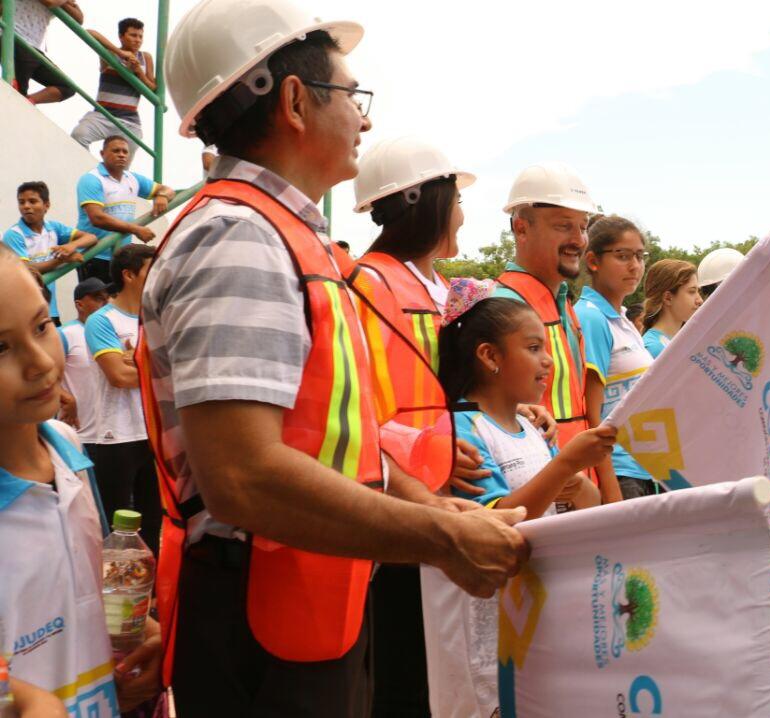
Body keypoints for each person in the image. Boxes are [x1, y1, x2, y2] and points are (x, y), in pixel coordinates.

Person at [142, 2, 528, 713]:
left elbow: (338, 440)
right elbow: (243, 476)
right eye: (353, 96)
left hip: (306, 597)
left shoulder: (286, 238)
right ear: (293, 101)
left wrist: (436, 508)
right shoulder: (239, 237)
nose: (366, 120)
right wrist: (443, 534)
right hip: (260, 617)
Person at [426, 290, 614, 717]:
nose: (547, 361)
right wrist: (566, 463)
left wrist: (574, 479)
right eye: (532, 348)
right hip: (483, 629)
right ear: (490, 356)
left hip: (534, 619)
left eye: (545, 348)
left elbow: (583, 502)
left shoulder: (533, 430)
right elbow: (495, 523)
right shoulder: (461, 431)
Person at [348, 136, 484, 717]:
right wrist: (433, 453)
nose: (461, 213)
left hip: (451, 494)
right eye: (454, 199)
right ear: (422, 202)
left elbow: (442, 392)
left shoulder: (445, 289)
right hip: (403, 504)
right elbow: (362, 412)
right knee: (405, 670)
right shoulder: (368, 285)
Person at [0, 249, 163, 716]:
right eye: (0, 347)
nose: (39, 363)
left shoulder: (71, 453)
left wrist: (139, 631)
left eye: (40, 327)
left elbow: (83, 584)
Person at [498, 162, 621, 500]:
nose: (578, 240)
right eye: (564, 226)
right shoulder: (500, 304)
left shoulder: (564, 302)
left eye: (583, 227)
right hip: (540, 493)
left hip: (579, 489)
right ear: (521, 229)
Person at [83, 244, 161, 551]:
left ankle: (152, 597)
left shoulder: (156, 318)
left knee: (153, 523)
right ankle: (115, 597)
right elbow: (119, 376)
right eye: (150, 269)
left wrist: (137, 360)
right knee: (118, 532)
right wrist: (155, 365)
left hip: (153, 433)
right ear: (128, 275)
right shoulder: (102, 320)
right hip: (116, 437)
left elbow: (178, 367)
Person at [577, 215, 657, 499]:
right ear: (593, 261)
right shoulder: (590, 317)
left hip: (645, 470)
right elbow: (591, 415)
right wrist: (612, 494)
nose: (635, 266)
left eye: (639, 256)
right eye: (622, 256)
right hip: (621, 476)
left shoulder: (623, 320)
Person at [74, 137, 174, 283]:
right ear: (102, 153)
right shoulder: (91, 179)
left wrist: (162, 196)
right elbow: (97, 218)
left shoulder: (131, 178)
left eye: (125, 152)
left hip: (121, 256)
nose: (121, 155)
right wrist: (135, 229)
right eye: (116, 151)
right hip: (94, 256)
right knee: (99, 304)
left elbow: (168, 190)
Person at [5, 181, 96, 324]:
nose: (26, 206)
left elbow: (91, 237)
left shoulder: (53, 228)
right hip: (25, 310)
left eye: (32, 201)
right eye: (21, 202)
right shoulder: (14, 234)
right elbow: (26, 269)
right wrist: (63, 259)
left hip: (50, 308)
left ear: (46, 205)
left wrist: (71, 246)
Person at [73, 18, 157, 158]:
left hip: (129, 120)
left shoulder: (145, 57)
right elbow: (90, 33)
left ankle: (110, 177)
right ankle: (95, 173)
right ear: (121, 36)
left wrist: (138, 72)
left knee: (121, 164)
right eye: (133, 35)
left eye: (140, 36)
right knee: (78, 136)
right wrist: (121, 53)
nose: (138, 40)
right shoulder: (110, 54)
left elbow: (152, 88)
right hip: (103, 114)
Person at [57, 277, 110, 449]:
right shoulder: (65, 334)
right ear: (80, 305)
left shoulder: (113, 330)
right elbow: (42, 376)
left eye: (107, 297)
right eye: (98, 298)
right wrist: (67, 399)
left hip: (115, 433)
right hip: (80, 435)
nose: (105, 302)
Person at [8, 0, 80, 105]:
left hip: (35, 49)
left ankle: (28, 101)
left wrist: (64, 3)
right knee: (16, 92)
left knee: (68, 87)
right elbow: (50, 2)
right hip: (17, 38)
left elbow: (79, 19)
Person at [640, 258, 701, 358]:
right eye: (692, 291)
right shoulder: (653, 348)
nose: (700, 300)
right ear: (668, 298)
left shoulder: (680, 343)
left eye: (698, 291)